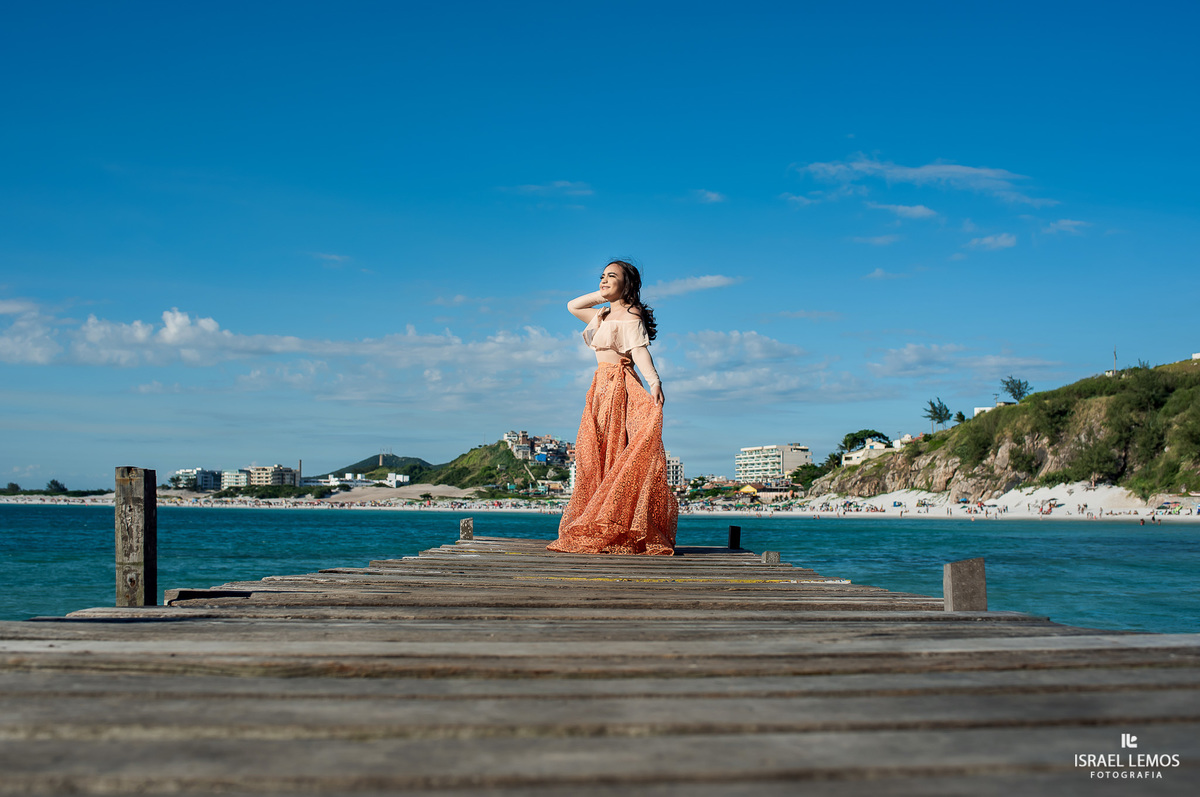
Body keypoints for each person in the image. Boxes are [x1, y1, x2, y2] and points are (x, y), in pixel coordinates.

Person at [547, 260, 678, 556]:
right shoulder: (603, 314)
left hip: (619, 384)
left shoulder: (631, 314)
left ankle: (619, 525)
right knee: (595, 454)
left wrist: (655, 382)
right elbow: (573, 305)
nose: (604, 280)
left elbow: (639, 350)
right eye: (602, 276)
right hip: (599, 387)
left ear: (627, 283)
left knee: (616, 452)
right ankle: (602, 520)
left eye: (611, 277)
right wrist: (603, 295)